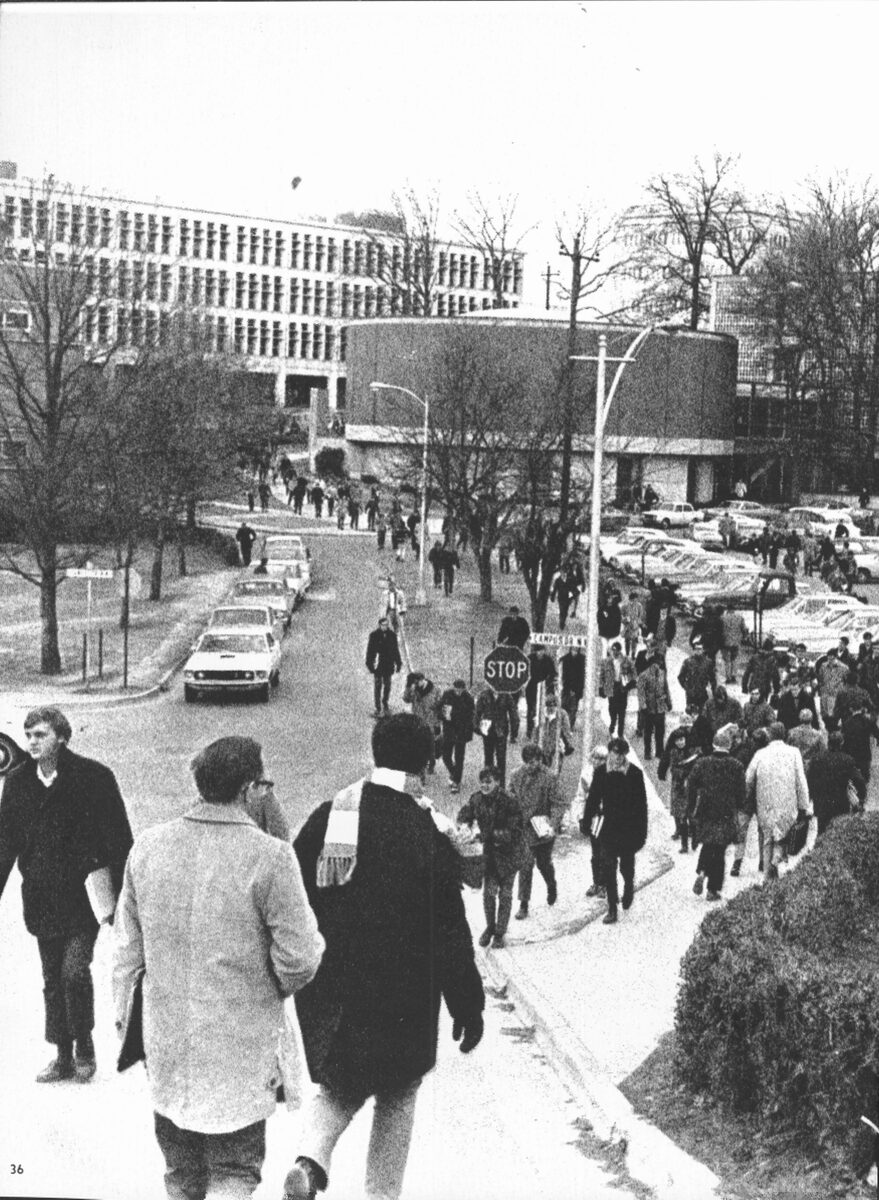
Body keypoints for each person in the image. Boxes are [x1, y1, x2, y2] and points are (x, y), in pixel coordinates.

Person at [112, 737, 323, 1200]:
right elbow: (302, 957)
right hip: (239, 1055)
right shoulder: (271, 857)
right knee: (234, 1170)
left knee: (180, 1175)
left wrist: (128, 1024)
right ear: (249, 789)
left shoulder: (147, 848)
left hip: (168, 1049)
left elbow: (126, 953)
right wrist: (266, 987)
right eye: (263, 785)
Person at [286, 714, 484, 1200]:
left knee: (339, 1089)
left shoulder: (331, 814)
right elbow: (450, 929)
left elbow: (292, 895)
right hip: (406, 997)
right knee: (398, 1094)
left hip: (337, 992)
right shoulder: (427, 831)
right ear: (425, 761)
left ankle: (309, 1163)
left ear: (376, 752)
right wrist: (467, 1003)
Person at [0, 707, 133, 1084]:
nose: (31, 743)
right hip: (41, 898)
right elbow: (5, 842)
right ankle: (61, 1056)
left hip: (83, 898)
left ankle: (85, 1046)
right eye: (28, 736)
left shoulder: (94, 777)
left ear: (61, 736)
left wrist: (125, 899)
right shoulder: (19, 781)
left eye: (40, 735)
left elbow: (120, 840)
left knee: (74, 973)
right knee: (51, 978)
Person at [457, 766, 525, 949]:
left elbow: (515, 831)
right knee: (488, 894)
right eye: (482, 782)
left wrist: (483, 836)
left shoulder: (509, 801)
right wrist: (464, 824)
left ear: (497, 782)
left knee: (505, 894)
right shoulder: (477, 799)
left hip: (510, 855)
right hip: (491, 856)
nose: (484, 786)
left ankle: (499, 934)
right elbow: (466, 812)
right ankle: (490, 927)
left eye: (488, 782)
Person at [586, 737, 648, 925]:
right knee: (608, 866)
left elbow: (641, 805)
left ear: (625, 754)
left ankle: (629, 885)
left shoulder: (635, 774)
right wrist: (586, 820)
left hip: (628, 828)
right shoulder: (601, 772)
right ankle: (612, 907)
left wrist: (642, 832)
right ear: (610, 752)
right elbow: (593, 798)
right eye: (614, 753)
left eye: (620, 754)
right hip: (608, 827)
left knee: (626, 866)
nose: (617, 757)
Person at [745, 722, 812, 880]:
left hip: (765, 803)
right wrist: (804, 805)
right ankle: (776, 861)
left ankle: (769, 875)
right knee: (783, 835)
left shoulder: (760, 753)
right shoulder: (794, 752)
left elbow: (748, 778)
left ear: (769, 735)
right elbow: (801, 781)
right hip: (787, 803)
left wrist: (749, 798)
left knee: (767, 838)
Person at [686, 724, 745, 901]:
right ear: (729, 746)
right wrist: (739, 806)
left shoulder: (702, 763)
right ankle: (712, 889)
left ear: (713, 745)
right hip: (726, 811)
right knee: (719, 848)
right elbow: (741, 792)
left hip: (706, 809)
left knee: (708, 842)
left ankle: (702, 871)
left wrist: (691, 806)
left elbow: (691, 784)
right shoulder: (736, 765)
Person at [508, 742, 567, 919]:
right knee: (525, 865)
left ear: (540, 760)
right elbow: (510, 797)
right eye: (527, 762)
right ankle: (524, 904)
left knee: (543, 863)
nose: (531, 765)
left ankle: (551, 884)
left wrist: (553, 823)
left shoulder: (549, 777)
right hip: (524, 828)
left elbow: (558, 803)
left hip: (542, 828)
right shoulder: (516, 775)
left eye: (534, 761)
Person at [807, 731, 867, 835]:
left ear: (828, 743)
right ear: (841, 744)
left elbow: (809, 780)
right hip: (840, 803)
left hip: (821, 803)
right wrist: (861, 798)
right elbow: (860, 781)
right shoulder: (847, 760)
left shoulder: (816, 759)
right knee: (840, 832)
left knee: (822, 833)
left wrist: (812, 797)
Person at [658, 718, 701, 852]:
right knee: (679, 813)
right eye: (678, 741)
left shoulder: (693, 750)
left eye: (682, 740)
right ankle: (682, 839)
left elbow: (697, 767)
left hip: (690, 786)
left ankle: (694, 835)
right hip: (678, 785)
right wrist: (681, 774)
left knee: (691, 815)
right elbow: (673, 767)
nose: (680, 742)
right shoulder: (673, 752)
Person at [578, 744, 609, 898]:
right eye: (595, 758)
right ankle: (596, 882)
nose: (598, 761)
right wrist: (581, 817)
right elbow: (581, 797)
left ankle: (605, 884)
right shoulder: (586, 774)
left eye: (602, 759)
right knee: (595, 853)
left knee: (606, 853)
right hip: (593, 817)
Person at [438, 678, 476, 794]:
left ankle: (456, 782)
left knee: (459, 758)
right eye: (456, 690)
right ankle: (454, 773)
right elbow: (439, 708)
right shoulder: (447, 695)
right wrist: (443, 715)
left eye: (460, 690)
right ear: (453, 688)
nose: (458, 692)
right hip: (449, 730)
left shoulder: (468, 698)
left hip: (461, 732)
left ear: (463, 689)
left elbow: (471, 715)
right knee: (446, 756)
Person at [474, 683, 516, 786]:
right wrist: (477, 728)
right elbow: (477, 712)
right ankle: (488, 782)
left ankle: (501, 785)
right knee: (488, 758)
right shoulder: (484, 695)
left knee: (501, 759)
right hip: (487, 730)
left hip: (501, 731)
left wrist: (514, 732)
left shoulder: (506, 696)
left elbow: (513, 713)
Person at [402, 671, 443, 774]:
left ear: (423, 680)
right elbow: (406, 699)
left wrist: (439, 724)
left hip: (431, 722)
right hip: (417, 721)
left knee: (430, 747)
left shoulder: (436, 690)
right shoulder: (414, 690)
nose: (416, 685)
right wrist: (408, 686)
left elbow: (440, 707)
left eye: (417, 682)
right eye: (414, 683)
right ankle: (417, 767)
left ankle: (431, 766)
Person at [636, 648, 672, 760]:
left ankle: (659, 751)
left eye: (660, 663)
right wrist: (643, 706)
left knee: (660, 732)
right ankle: (647, 752)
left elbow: (666, 688)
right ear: (652, 663)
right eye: (657, 663)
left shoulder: (662, 674)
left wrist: (669, 702)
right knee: (647, 732)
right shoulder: (643, 675)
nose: (659, 665)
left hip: (660, 707)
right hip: (649, 708)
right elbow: (641, 693)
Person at [365, 616, 402, 716]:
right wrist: (370, 664)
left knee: (388, 686)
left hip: (388, 664)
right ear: (379, 625)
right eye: (383, 625)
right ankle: (378, 707)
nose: (385, 627)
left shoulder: (392, 635)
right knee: (377, 686)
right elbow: (370, 651)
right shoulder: (374, 636)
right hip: (378, 664)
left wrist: (398, 663)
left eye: (386, 625)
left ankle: (385, 702)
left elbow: (395, 650)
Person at [530, 691, 574, 772]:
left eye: (553, 707)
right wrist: (534, 743)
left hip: (557, 744)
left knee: (556, 768)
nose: (551, 709)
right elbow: (535, 730)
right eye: (549, 707)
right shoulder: (541, 714)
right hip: (544, 745)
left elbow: (567, 730)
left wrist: (566, 743)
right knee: (543, 768)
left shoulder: (562, 714)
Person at [599, 641, 635, 738]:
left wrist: (629, 680)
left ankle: (620, 732)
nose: (614, 653)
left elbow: (633, 672)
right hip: (612, 686)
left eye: (616, 651)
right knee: (612, 708)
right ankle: (613, 722)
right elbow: (602, 675)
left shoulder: (626, 660)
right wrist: (601, 687)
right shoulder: (606, 661)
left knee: (622, 710)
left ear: (619, 651)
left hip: (622, 687)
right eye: (613, 650)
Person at [525, 643, 558, 737]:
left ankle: (541, 730)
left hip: (545, 687)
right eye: (538, 651)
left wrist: (548, 684)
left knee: (543, 710)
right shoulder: (530, 659)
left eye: (541, 651)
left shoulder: (548, 660)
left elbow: (553, 674)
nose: (540, 653)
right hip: (532, 687)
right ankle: (530, 730)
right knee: (531, 709)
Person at [678, 638, 716, 711]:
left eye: (700, 649)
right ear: (693, 650)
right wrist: (687, 687)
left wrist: (713, 691)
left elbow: (713, 679)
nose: (698, 651)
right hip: (691, 695)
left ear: (703, 650)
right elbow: (681, 677)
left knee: (703, 715)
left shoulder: (708, 663)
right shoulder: (688, 662)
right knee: (691, 714)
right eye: (696, 649)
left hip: (703, 694)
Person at [719, 606, 749, 684]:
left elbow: (719, 630)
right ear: (734, 610)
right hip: (736, 642)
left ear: (727, 610)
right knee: (735, 659)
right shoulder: (740, 617)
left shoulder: (722, 618)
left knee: (727, 660)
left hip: (725, 642)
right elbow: (744, 629)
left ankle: (728, 677)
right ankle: (734, 676)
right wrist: (744, 637)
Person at [560, 645, 586, 731]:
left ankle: (569, 726)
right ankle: (563, 725)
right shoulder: (566, 659)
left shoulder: (582, 659)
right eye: (573, 649)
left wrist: (576, 690)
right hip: (566, 688)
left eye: (576, 649)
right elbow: (564, 676)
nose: (574, 651)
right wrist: (567, 688)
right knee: (564, 707)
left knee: (573, 709)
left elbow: (582, 676)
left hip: (576, 689)